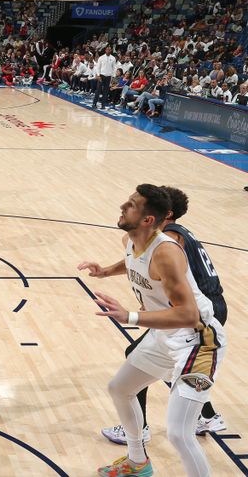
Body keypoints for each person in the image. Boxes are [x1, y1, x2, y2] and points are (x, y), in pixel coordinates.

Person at [79, 184, 226, 477]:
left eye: (132, 204)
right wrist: (105, 271)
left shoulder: (168, 252)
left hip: (198, 341)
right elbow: (137, 261)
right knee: (120, 389)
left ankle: (206, 420)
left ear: (148, 220)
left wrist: (130, 316)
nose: (123, 206)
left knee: (179, 434)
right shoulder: (131, 240)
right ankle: (137, 462)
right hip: (166, 336)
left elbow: (188, 314)